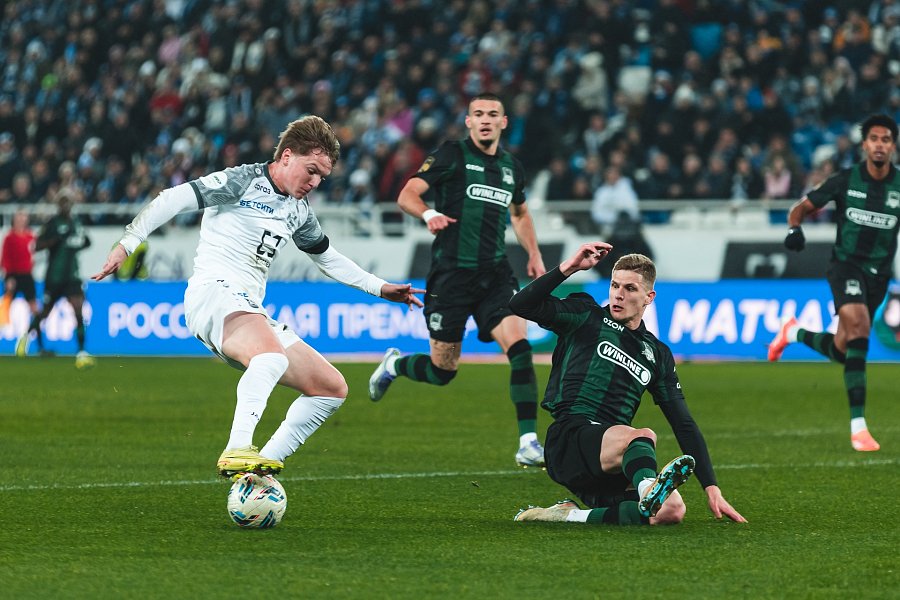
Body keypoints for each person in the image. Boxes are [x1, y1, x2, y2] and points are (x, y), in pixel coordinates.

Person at [93, 115, 424, 479]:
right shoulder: (242, 181)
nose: (314, 182)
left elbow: (326, 257)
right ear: (287, 156)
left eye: (322, 177)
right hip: (214, 293)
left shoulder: (298, 210)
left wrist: (379, 287)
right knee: (270, 357)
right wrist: (127, 243)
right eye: (311, 171)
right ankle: (237, 448)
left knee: (330, 389)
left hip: (248, 307)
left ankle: (258, 474)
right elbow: (173, 199)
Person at [367, 93, 548, 467]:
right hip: (450, 277)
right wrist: (428, 213)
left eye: (492, 114)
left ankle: (528, 442)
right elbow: (407, 195)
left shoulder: (511, 167)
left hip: (495, 275)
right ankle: (395, 365)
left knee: (520, 347)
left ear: (503, 122)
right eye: (478, 114)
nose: (485, 119)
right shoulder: (451, 155)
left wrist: (533, 253)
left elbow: (520, 213)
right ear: (469, 122)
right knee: (442, 371)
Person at [510, 243, 746, 525]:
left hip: (610, 461)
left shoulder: (656, 353)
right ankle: (647, 488)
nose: (619, 294)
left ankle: (569, 515)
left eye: (630, 288)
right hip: (570, 439)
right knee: (642, 435)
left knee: (671, 511)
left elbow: (683, 423)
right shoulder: (585, 315)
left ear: (649, 297)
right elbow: (520, 305)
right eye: (614, 285)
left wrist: (711, 487)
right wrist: (569, 268)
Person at [768, 113, 900, 452]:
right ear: (865, 144)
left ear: (893, 146)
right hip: (846, 267)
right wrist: (794, 229)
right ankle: (859, 427)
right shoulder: (845, 180)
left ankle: (793, 332)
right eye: (874, 139)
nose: (880, 145)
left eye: (886, 139)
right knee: (860, 327)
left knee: (844, 349)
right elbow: (800, 208)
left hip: (878, 277)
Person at [16, 191, 94, 366]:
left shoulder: (76, 223)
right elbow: (37, 246)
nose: (66, 206)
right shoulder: (52, 224)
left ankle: (82, 352)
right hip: (54, 277)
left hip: (72, 276)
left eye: (69, 203)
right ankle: (25, 336)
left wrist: (84, 242)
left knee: (78, 310)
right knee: (45, 312)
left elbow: (84, 241)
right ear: (58, 205)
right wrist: (55, 240)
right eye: (63, 203)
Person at [0, 209, 39, 327]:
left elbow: (34, 255)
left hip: (26, 274)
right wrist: (8, 275)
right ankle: (3, 329)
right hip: (13, 275)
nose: (21, 221)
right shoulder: (9, 237)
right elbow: (5, 257)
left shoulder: (31, 236)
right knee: (7, 303)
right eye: (19, 218)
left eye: (23, 218)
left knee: (33, 304)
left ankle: (36, 333)